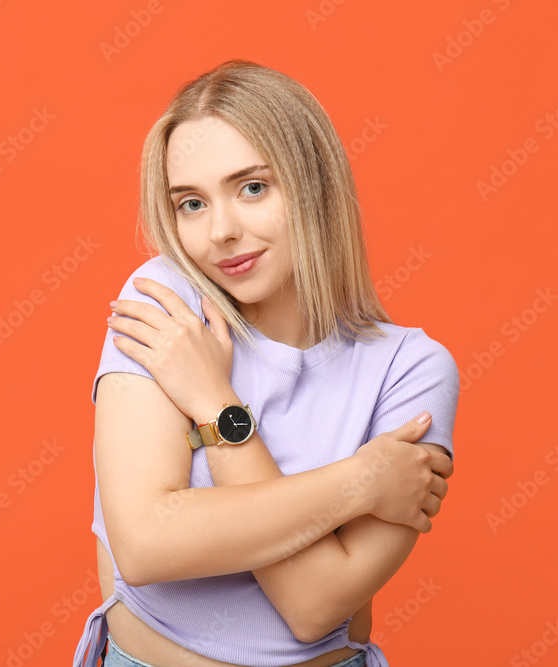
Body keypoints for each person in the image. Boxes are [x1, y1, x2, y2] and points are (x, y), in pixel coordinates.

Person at [74, 59, 460, 667]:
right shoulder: (169, 305)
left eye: (253, 187)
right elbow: (147, 543)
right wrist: (362, 481)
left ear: (315, 187)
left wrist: (215, 404)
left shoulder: (413, 369)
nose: (221, 230)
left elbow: (313, 606)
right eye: (192, 203)